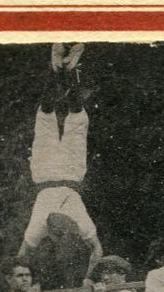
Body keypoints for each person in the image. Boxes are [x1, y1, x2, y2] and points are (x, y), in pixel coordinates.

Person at [18, 42, 102, 270]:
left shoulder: (38, 227)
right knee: (76, 119)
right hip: (70, 175)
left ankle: (56, 70)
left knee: (45, 118)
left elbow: (21, 256)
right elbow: (97, 249)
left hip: (47, 175)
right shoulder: (79, 222)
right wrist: (89, 277)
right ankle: (70, 70)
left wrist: (20, 282)